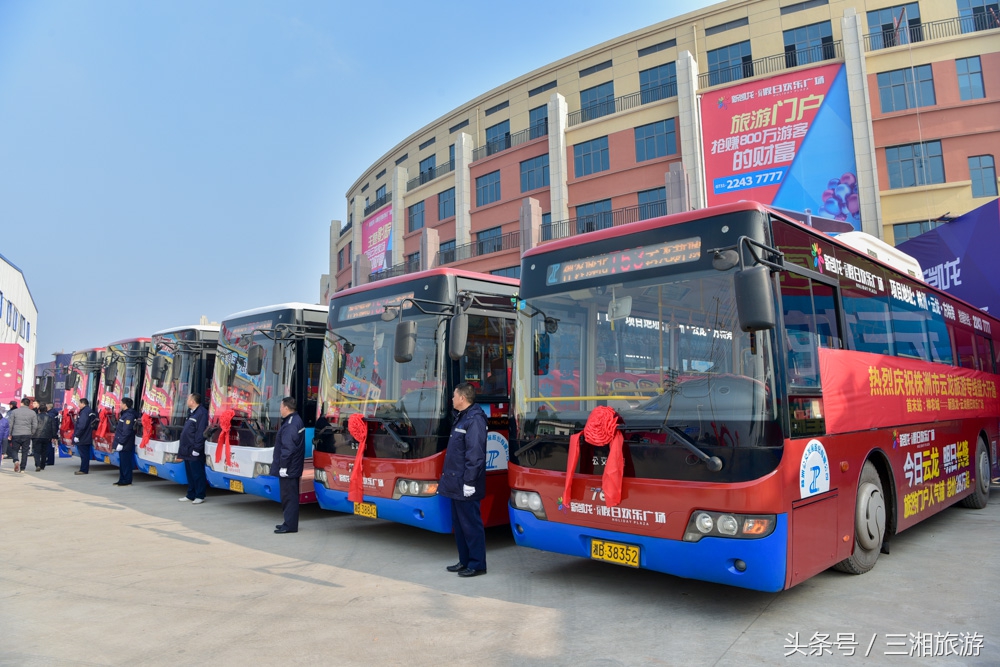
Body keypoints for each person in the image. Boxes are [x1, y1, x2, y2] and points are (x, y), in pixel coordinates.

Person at [439, 382, 488, 577]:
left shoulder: (475, 420)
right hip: (455, 482)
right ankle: (465, 560)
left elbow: (475, 455)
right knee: (459, 525)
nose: (451, 399)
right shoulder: (462, 417)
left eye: (453, 396)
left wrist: (470, 482)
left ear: (462, 398)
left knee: (471, 525)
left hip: (466, 483)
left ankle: (477, 564)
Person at [271, 396, 305, 534]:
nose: (279, 409)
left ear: (286, 408)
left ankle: (290, 526)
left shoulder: (291, 423)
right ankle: (288, 522)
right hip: (293, 466)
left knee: (289, 497)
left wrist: (283, 466)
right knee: (289, 496)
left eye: (281, 407)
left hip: (289, 467)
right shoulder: (294, 420)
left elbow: (288, 448)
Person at [177, 393, 208, 503]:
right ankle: (191, 494)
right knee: (190, 473)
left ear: (193, 401)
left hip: (194, 449)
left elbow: (200, 433)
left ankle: (200, 495)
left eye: (188, 398)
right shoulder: (191, 413)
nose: (187, 400)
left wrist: (197, 449)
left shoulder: (201, 413)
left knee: (197, 473)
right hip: (187, 448)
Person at [8, 397, 38, 474]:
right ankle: (22, 468)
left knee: (14, 449)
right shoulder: (32, 413)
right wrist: (32, 433)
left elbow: (10, 424)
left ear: (21, 403)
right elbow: (35, 425)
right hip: (27, 434)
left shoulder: (14, 412)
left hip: (16, 433)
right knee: (25, 452)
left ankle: (16, 460)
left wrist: (10, 433)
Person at [112, 398, 139, 486]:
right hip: (123, 442)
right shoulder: (125, 414)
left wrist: (121, 443)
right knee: (122, 463)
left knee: (126, 463)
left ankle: (127, 480)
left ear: (125, 404)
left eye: (121, 403)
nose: (120, 405)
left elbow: (126, 431)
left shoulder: (129, 415)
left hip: (126, 443)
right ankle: (122, 479)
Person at [73, 399, 98, 475]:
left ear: (83, 403)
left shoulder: (84, 412)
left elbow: (82, 425)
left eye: (79, 403)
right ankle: (84, 469)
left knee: (83, 454)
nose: (78, 405)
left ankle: (83, 469)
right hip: (88, 436)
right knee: (85, 454)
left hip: (83, 437)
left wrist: (77, 435)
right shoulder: (90, 411)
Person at [31, 401, 57, 471]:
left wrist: (31, 434)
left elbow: (33, 426)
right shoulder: (49, 417)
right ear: (46, 410)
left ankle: (37, 464)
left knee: (36, 451)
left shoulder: (35, 417)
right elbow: (53, 427)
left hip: (36, 436)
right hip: (46, 436)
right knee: (44, 451)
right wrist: (54, 436)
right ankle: (42, 465)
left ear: (39, 410)